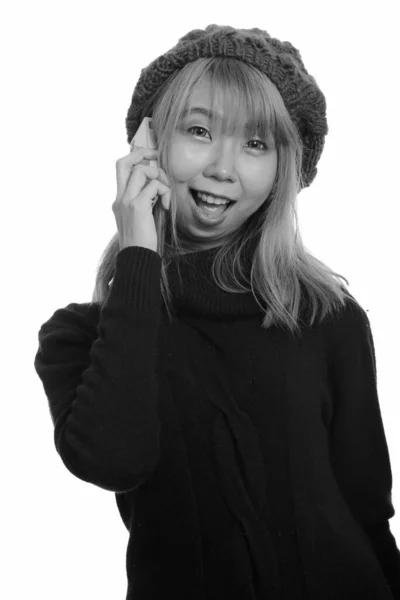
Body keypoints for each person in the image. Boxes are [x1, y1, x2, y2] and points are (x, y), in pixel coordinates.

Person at [33, 24, 400, 600]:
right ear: (149, 146)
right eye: (199, 130)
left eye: (256, 144)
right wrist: (137, 254)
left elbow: (367, 508)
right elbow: (114, 461)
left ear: (285, 169)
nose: (224, 167)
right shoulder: (81, 336)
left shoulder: (328, 317)